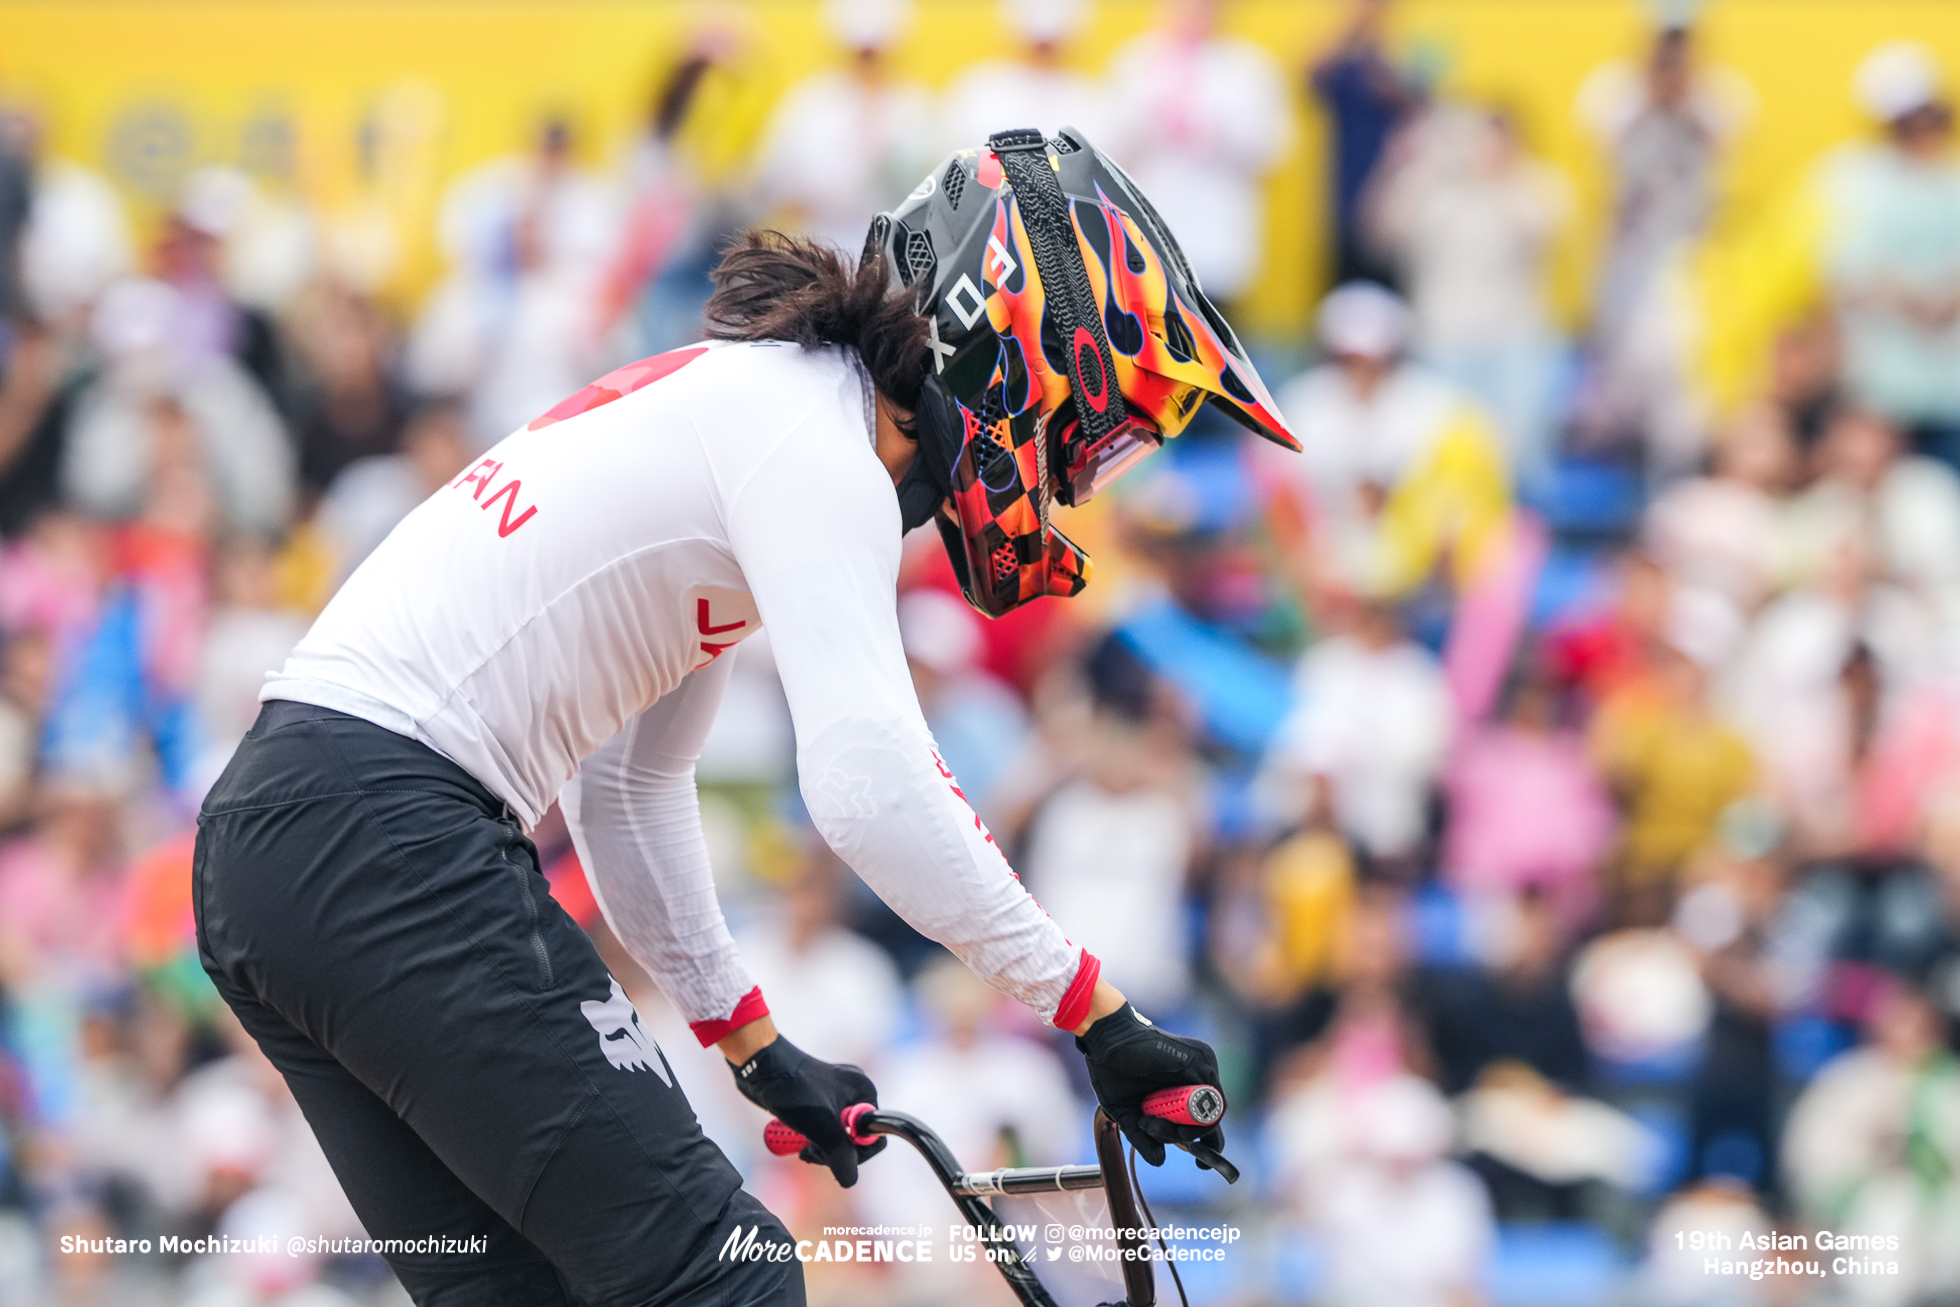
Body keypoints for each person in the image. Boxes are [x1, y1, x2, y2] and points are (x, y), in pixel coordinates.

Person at [194, 128, 1297, 1304]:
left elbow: (626, 787)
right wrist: (1094, 1008)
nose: (1075, 479)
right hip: (384, 832)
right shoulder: (815, 444)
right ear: (1016, 348)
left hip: (276, 844)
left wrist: (748, 1039)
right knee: (730, 1276)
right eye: (1094, 430)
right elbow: (870, 784)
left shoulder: (757, 410)